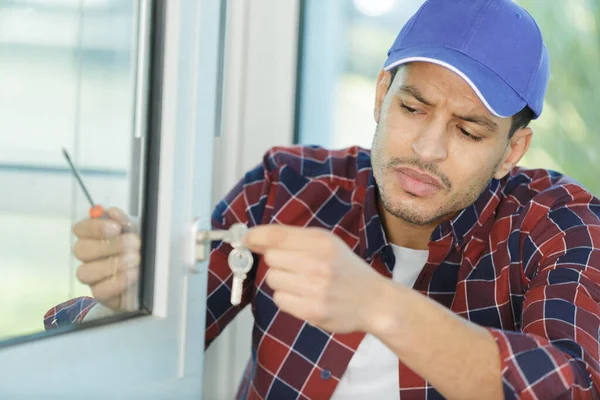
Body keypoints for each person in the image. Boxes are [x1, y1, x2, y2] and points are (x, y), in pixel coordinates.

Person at [45, 0, 600, 398]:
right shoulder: (288, 185)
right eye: (412, 108)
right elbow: (163, 339)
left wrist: (379, 305)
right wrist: (126, 297)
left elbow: (573, 386)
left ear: (512, 150)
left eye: (469, 131)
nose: (427, 149)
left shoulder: (559, 224)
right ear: (383, 94)